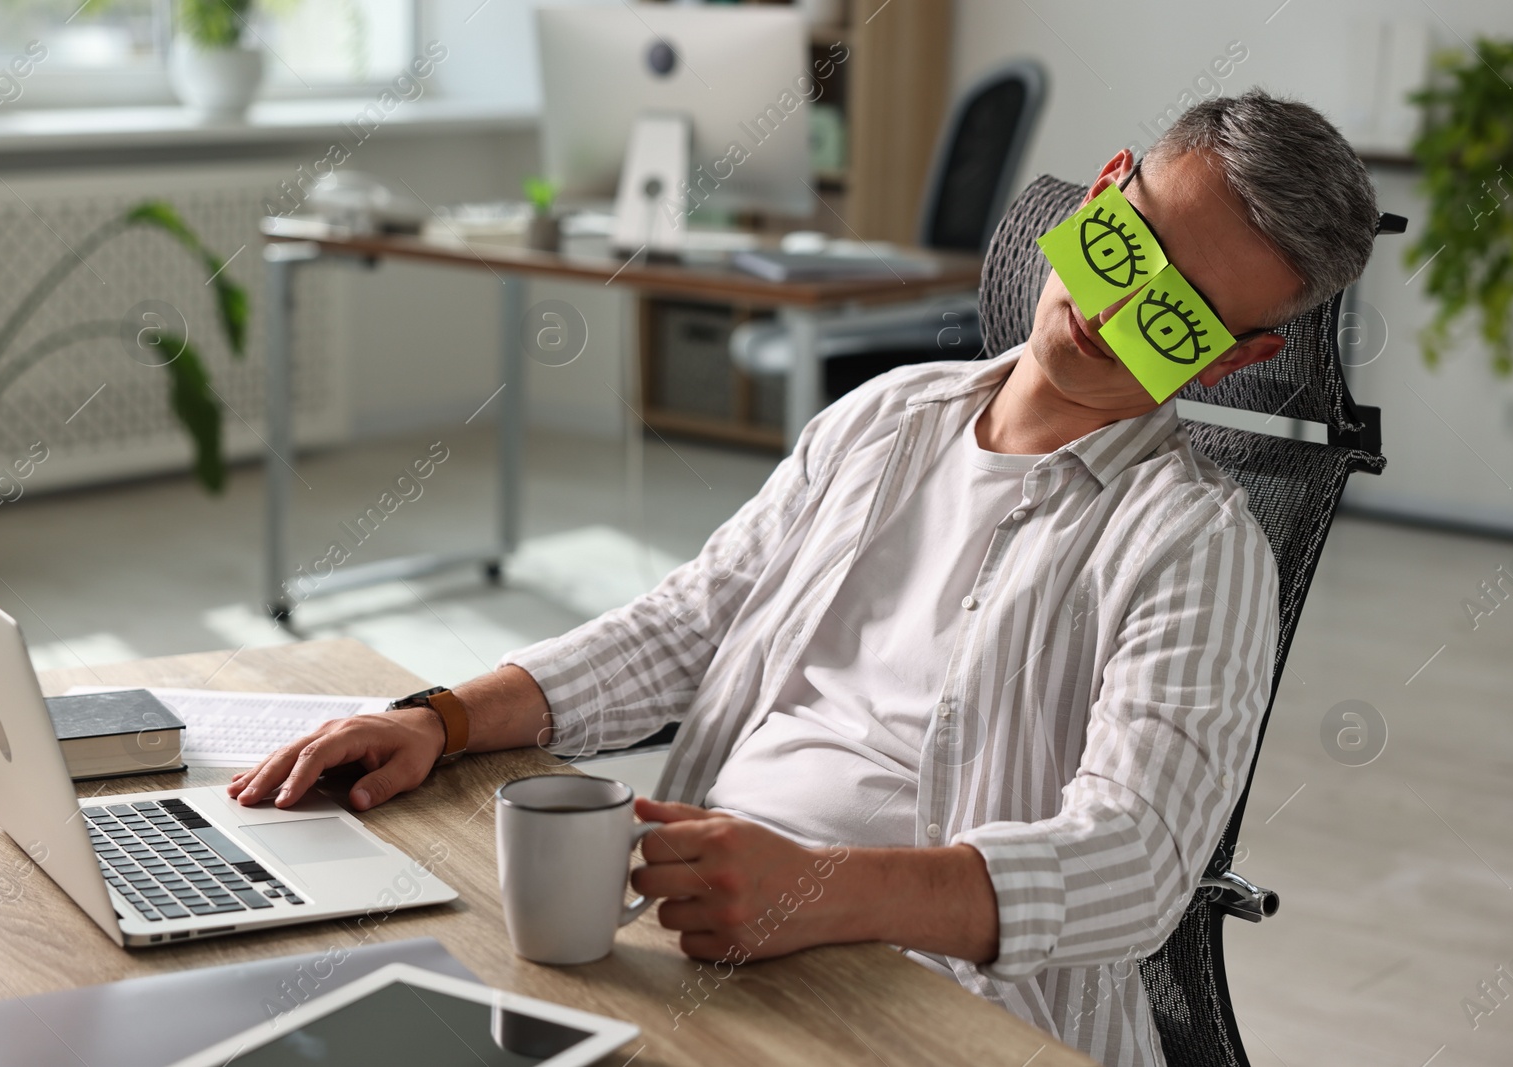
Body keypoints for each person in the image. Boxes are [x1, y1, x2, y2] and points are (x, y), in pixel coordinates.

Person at [230, 90, 1378, 1066]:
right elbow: (693, 621)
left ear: (1235, 356)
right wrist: (440, 715)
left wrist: (818, 886)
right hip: (690, 923)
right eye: (1122, 250)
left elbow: (1134, 862)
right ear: (1102, 190)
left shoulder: (1190, 544)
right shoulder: (885, 417)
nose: (1111, 311)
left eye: (1174, 316)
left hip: (932, 1003)